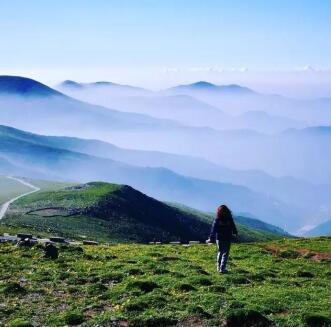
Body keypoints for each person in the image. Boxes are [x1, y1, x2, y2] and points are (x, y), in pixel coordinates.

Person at [206, 205, 238, 273]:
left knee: (220, 252)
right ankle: (222, 269)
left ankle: (218, 267)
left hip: (219, 238)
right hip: (227, 238)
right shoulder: (229, 219)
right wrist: (235, 233)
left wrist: (211, 238)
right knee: (225, 254)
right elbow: (233, 226)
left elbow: (213, 230)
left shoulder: (217, 220)